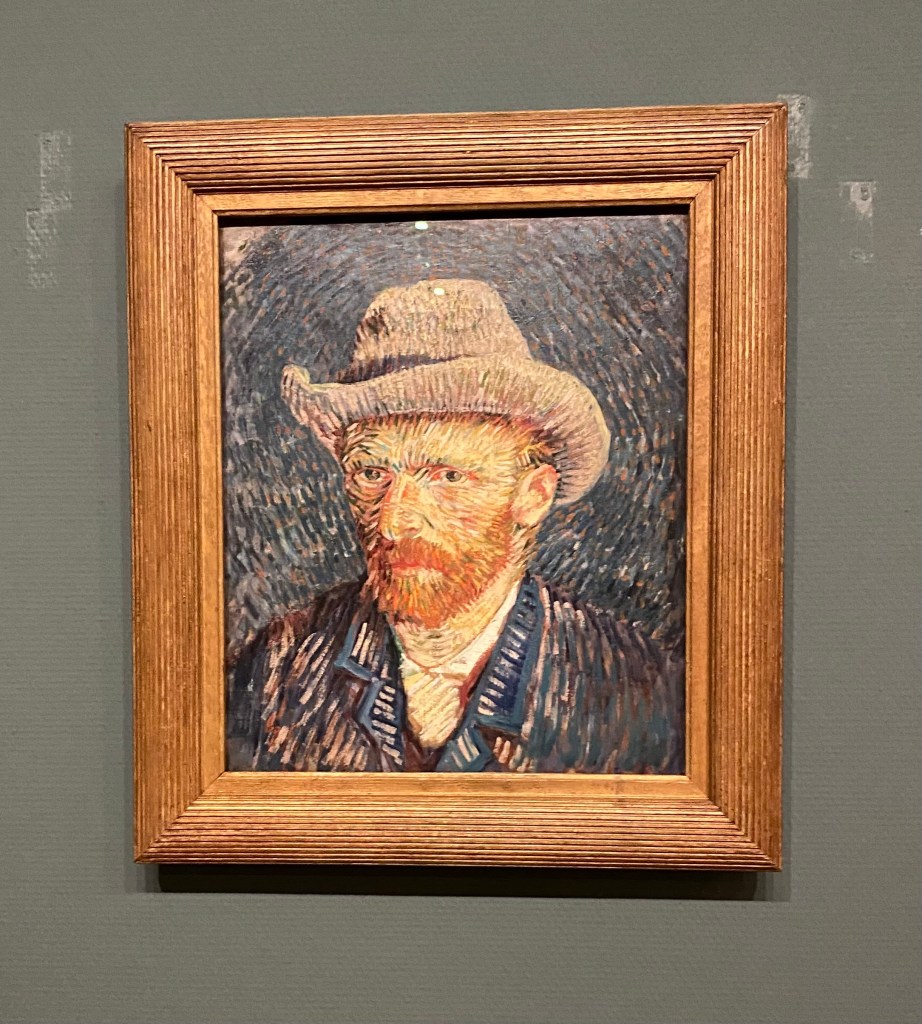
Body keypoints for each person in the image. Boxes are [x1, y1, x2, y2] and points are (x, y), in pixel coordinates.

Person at [227, 278, 684, 773]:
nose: (394, 522)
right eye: (372, 474)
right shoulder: (274, 669)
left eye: (447, 476)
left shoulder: (635, 687)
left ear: (533, 496)